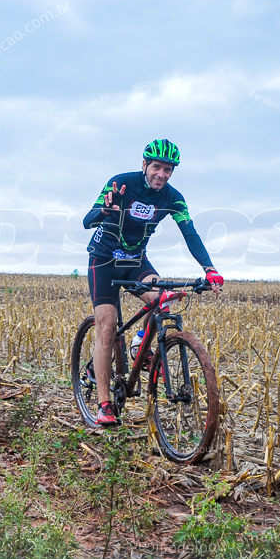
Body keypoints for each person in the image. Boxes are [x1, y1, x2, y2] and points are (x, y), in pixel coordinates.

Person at [83, 139, 224, 427]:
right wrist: (104, 212)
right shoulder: (119, 183)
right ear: (144, 165)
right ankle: (104, 405)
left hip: (136, 262)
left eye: (168, 169)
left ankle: (138, 345)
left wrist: (209, 268)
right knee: (107, 326)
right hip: (104, 262)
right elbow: (88, 220)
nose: (162, 174)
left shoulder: (173, 198)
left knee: (166, 297)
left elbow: (190, 233)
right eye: (157, 167)